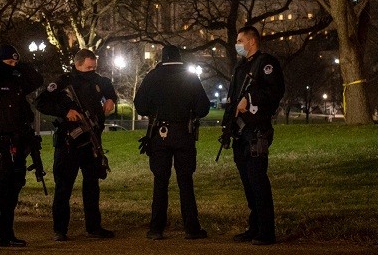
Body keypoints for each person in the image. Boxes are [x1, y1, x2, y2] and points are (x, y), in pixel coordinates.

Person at [35, 48, 117, 241]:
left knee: (92, 186)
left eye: (94, 67)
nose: (92, 71)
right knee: (64, 187)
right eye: (88, 67)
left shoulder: (99, 80)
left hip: (91, 141)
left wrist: (111, 99)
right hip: (68, 143)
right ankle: (60, 230)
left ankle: (93, 227)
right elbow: (41, 102)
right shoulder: (64, 81)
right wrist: (64, 112)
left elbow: (109, 89)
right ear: (77, 64)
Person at [133, 44, 211, 240]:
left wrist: (155, 110)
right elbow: (203, 107)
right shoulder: (190, 77)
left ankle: (156, 228)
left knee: (160, 182)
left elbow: (140, 105)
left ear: (163, 57)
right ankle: (192, 228)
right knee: (186, 181)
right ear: (180, 57)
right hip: (184, 133)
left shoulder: (152, 77)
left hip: (159, 133)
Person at [219, 25, 285, 246]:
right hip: (240, 132)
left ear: (251, 41)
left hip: (256, 129)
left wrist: (251, 97)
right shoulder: (241, 67)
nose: (237, 44)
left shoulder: (266, 63)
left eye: (240, 40)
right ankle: (254, 226)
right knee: (248, 182)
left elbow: (275, 92)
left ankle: (266, 230)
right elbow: (232, 99)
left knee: (258, 181)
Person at [0, 44, 43, 251]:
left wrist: (19, 63)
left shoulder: (16, 79)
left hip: (18, 141)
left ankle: (5, 234)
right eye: (9, 62)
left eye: (15, 63)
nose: (12, 66)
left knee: (13, 188)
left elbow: (37, 80)